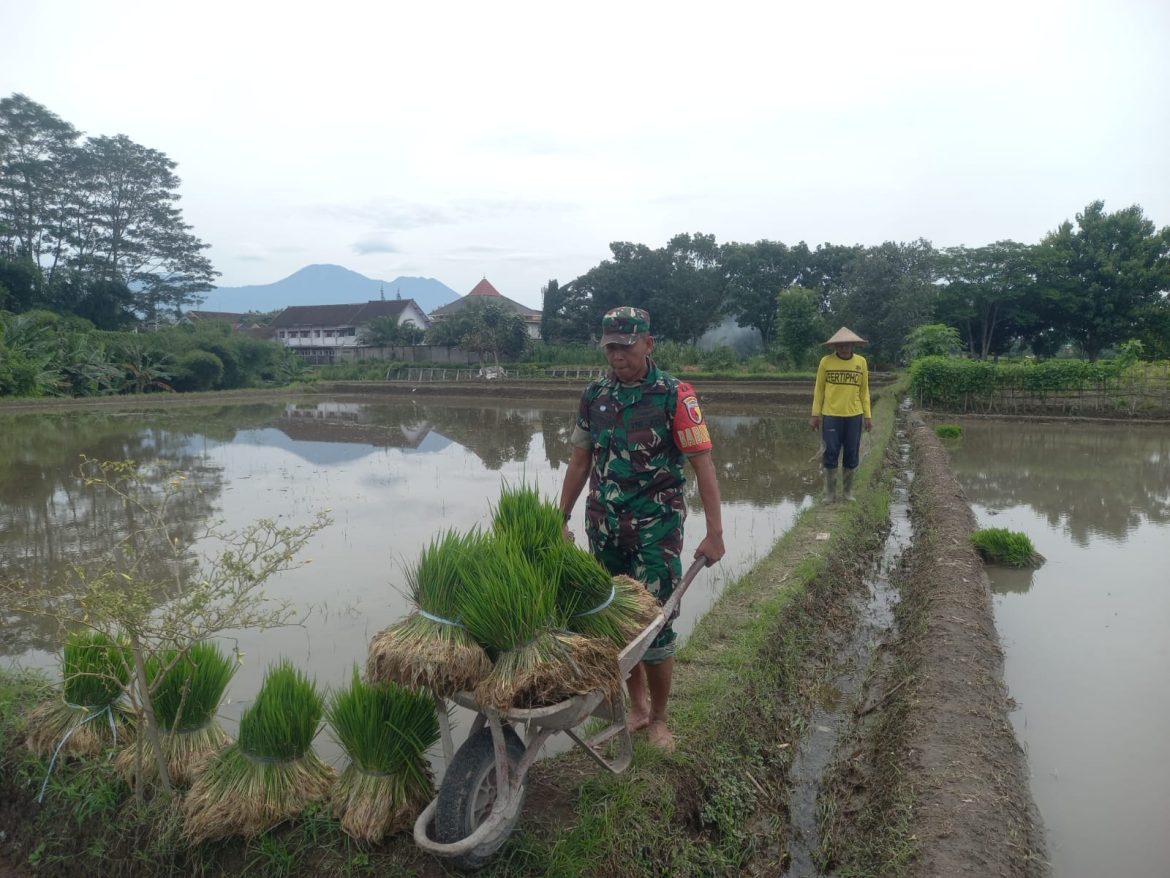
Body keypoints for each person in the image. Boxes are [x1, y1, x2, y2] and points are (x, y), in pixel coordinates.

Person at [558, 306, 725, 753]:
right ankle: (636, 707)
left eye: (626, 347)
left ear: (648, 344)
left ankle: (660, 719)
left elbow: (702, 464)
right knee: (617, 621)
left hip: (657, 529)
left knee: (657, 623)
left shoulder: (675, 395)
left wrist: (716, 532)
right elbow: (580, 460)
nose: (617, 356)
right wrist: (559, 518)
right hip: (605, 528)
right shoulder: (594, 395)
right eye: (610, 347)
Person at [809, 326, 872, 501]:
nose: (843, 348)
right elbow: (819, 390)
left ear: (852, 345)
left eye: (847, 344)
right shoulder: (826, 362)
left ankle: (847, 492)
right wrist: (815, 415)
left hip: (854, 416)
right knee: (830, 452)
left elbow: (864, 391)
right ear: (835, 346)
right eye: (840, 345)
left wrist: (867, 416)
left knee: (851, 452)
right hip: (831, 415)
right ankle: (830, 493)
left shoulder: (861, 362)